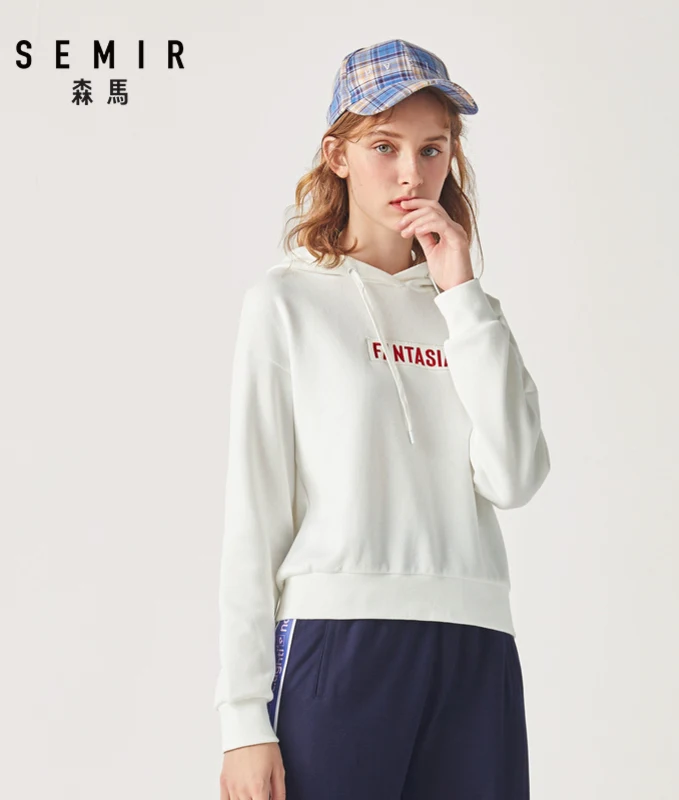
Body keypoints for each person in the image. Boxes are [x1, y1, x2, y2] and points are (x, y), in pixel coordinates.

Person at [216, 38, 551, 800]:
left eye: (432, 149)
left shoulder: (470, 314)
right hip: (339, 645)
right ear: (337, 155)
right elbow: (254, 515)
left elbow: (515, 477)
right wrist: (242, 719)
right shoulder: (286, 303)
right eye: (384, 147)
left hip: (477, 645)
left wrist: (461, 293)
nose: (411, 173)